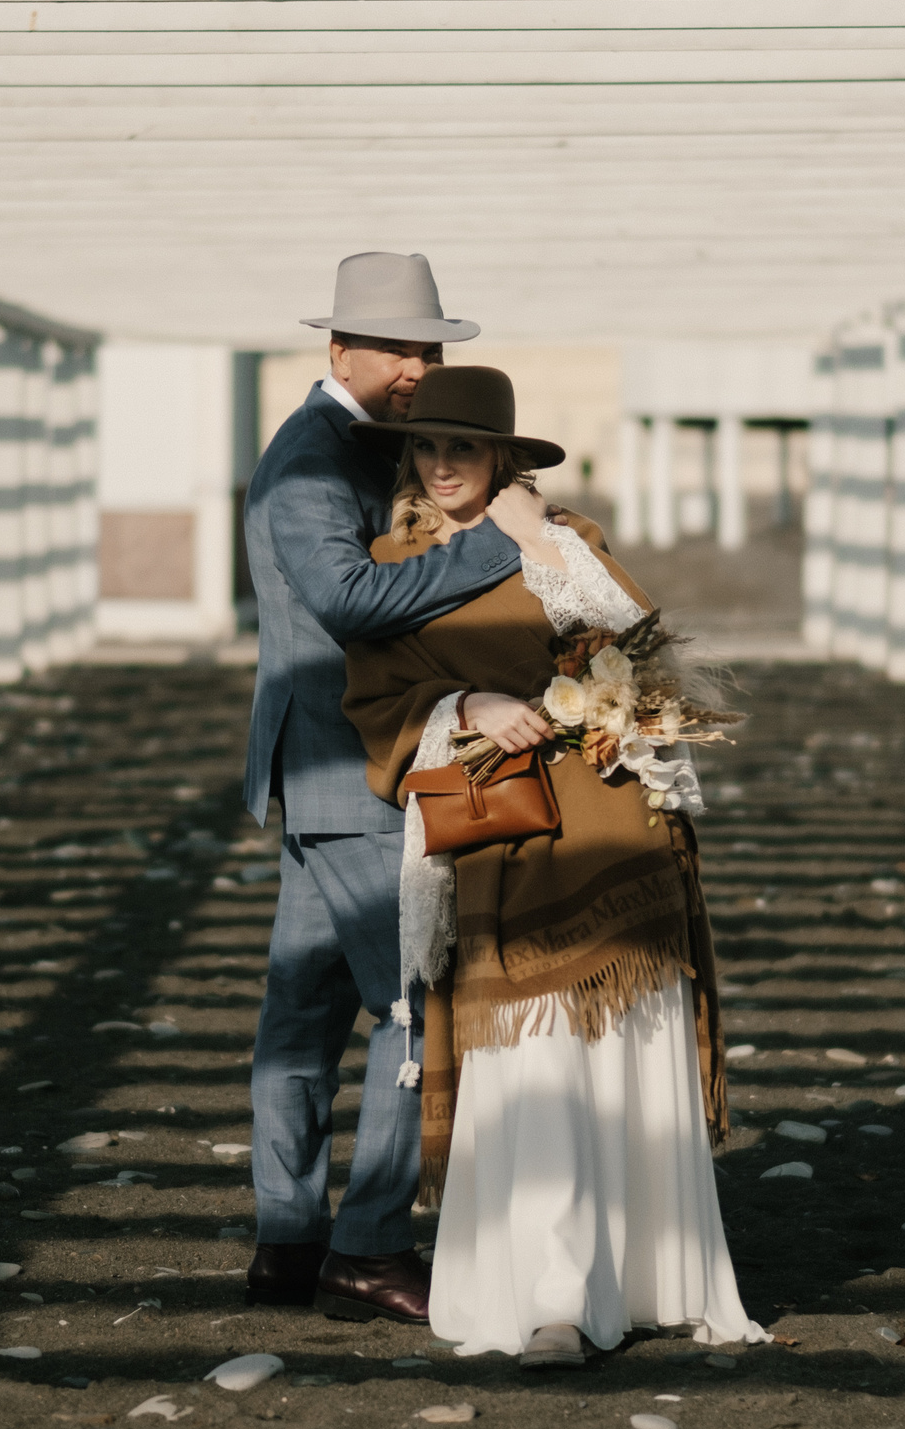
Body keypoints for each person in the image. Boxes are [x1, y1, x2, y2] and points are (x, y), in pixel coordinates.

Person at [340, 366, 765, 1367]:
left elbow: (643, 646)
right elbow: (374, 702)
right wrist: (465, 710)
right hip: (502, 845)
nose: (443, 465)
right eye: (429, 448)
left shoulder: (567, 541)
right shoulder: (388, 560)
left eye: (466, 449)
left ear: (504, 458)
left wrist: (539, 539)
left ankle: (646, 1279)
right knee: (538, 1065)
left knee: (616, 1059)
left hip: (618, 832)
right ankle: (552, 1298)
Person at [241, 252, 539, 1325]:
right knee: (416, 1013)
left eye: (431, 347)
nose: (421, 367)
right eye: (401, 348)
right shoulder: (310, 463)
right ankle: (366, 1251)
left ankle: (286, 1244)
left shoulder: (347, 445)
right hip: (356, 769)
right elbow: (350, 597)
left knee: (302, 1018)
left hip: (325, 771)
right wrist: (498, 547)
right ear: (339, 350)